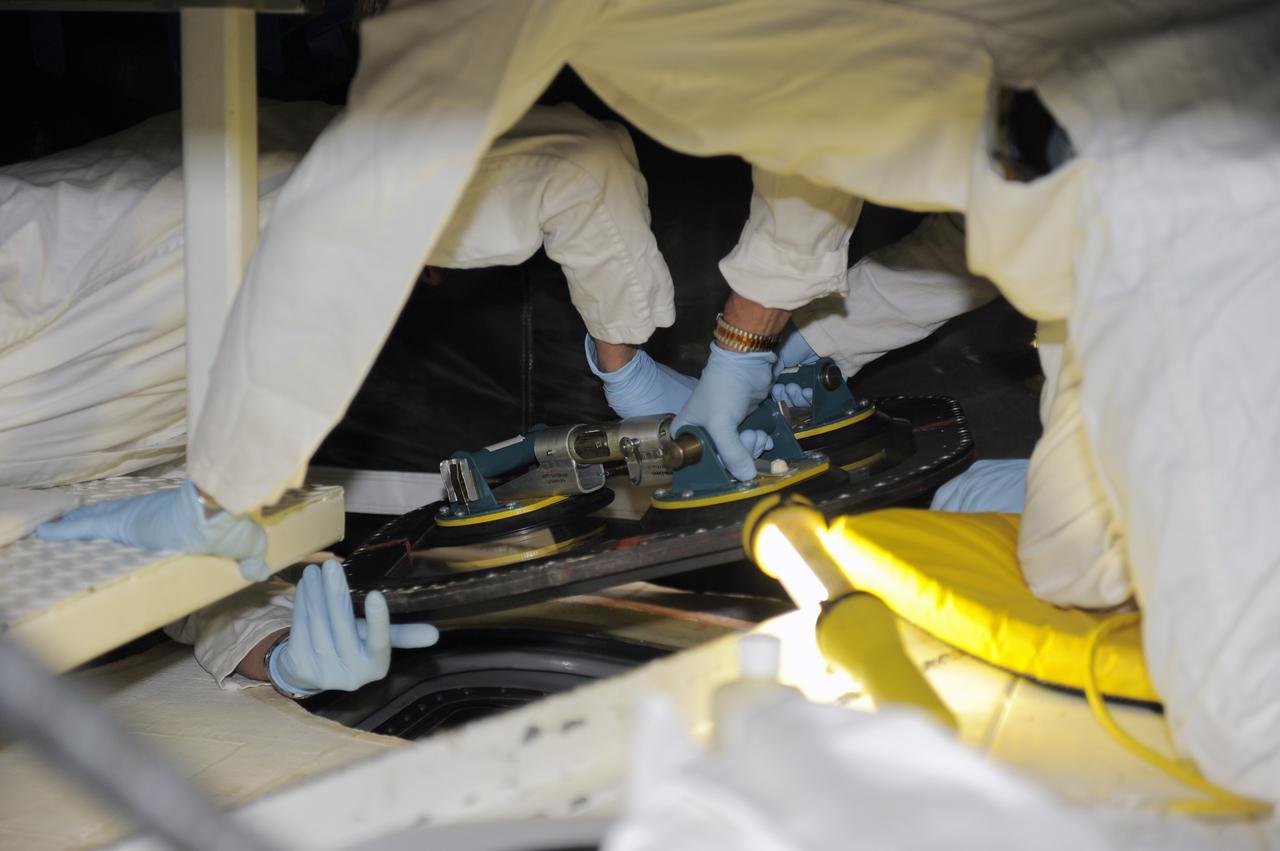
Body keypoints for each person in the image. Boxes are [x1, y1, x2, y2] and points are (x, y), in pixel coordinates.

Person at [32, 0, 1280, 800]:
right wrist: (255, 643)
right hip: (1071, 197)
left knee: (1244, 726)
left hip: (1181, 178)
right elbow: (834, 101)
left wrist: (220, 492)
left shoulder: (61, 245)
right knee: (1069, 563)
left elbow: (367, 204)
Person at [9, 98, 674, 692]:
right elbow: (181, 564)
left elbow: (570, 167)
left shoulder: (52, 243)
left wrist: (625, 361)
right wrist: (280, 653)